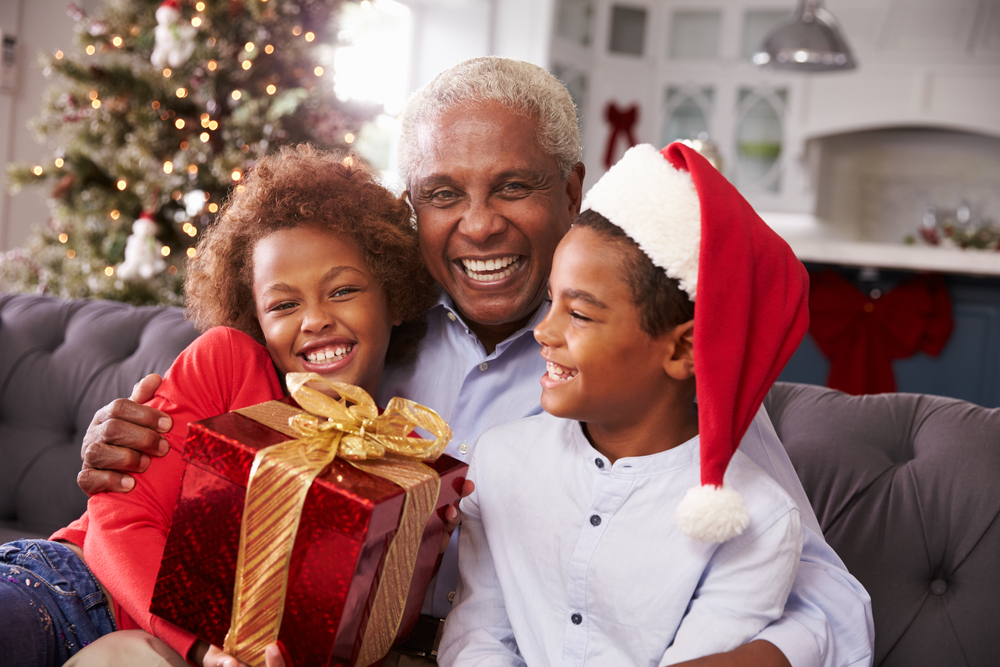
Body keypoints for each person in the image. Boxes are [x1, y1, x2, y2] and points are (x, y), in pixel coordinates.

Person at [75, 57, 874, 667]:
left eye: (513, 187)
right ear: (411, 207)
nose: (479, 225)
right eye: (444, 194)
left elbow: (829, 599)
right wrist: (133, 439)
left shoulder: (642, 371)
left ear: (571, 190)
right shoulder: (367, 328)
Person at [1, 144, 439, 667]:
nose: (314, 319)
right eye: (283, 305)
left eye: (342, 290)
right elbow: (118, 524)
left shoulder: (395, 452)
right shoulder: (229, 364)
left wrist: (422, 545)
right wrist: (203, 648)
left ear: (392, 295)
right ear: (254, 317)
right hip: (70, 590)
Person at [440, 142, 809, 665]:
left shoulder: (758, 521)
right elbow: (477, 638)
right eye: (552, 301)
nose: (544, 332)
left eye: (581, 315)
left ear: (682, 348)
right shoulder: (500, 460)